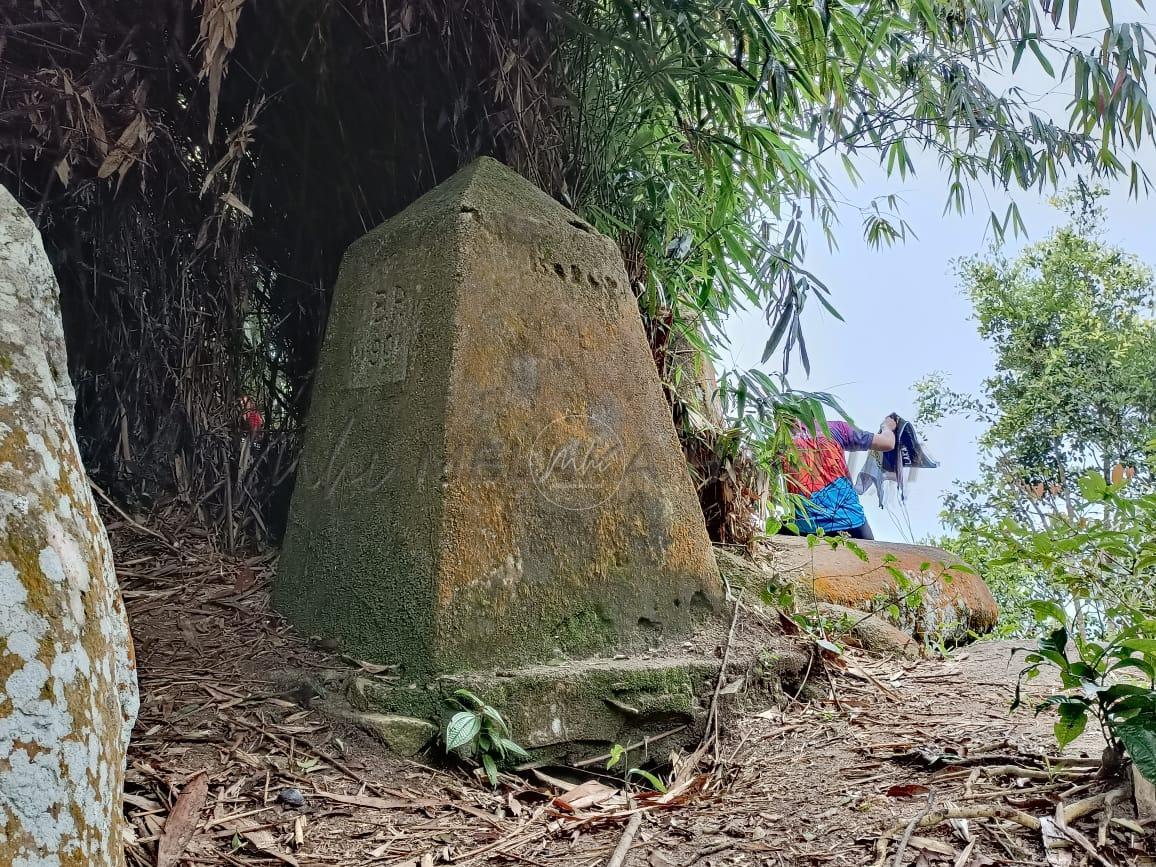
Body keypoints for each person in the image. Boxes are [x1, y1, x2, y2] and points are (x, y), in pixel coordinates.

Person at [780, 414, 897, 539]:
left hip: (805, 529)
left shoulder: (779, 442)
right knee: (872, 557)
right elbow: (888, 443)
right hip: (851, 522)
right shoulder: (835, 428)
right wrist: (887, 427)